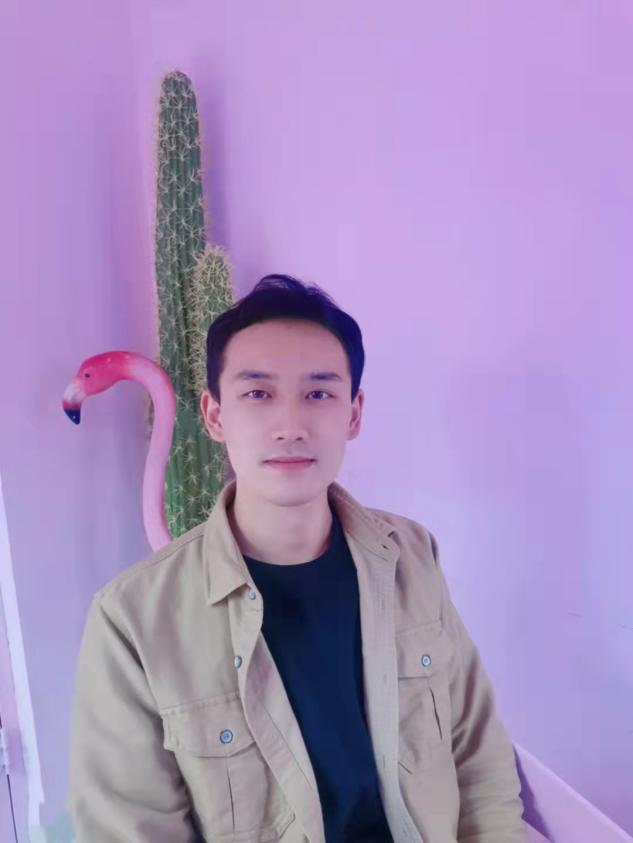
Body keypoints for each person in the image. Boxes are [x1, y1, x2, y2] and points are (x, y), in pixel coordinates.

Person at [67, 274, 528, 842]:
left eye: (318, 394)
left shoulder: (411, 556)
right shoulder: (132, 619)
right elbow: (127, 828)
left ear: (353, 414)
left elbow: (478, 758)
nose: (290, 426)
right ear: (215, 415)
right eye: (258, 394)